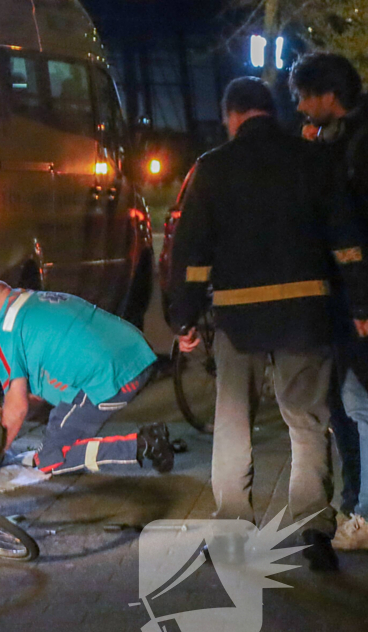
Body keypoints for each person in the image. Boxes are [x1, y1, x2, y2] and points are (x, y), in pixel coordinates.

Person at [170, 77, 368, 571]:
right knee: (307, 422)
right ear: (270, 111)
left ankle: (234, 531)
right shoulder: (315, 160)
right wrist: (362, 305)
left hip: (239, 318)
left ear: (233, 115)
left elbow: (190, 254)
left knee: (234, 423)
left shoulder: (211, 169)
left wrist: (184, 317)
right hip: (307, 313)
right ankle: (314, 531)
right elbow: (347, 241)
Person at [0, 279, 174, 476]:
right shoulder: (32, 300)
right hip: (137, 354)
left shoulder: (5, 331)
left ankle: (144, 445)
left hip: (108, 377)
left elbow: (17, 408)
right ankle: (148, 441)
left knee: (52, 458)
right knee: (59, 425)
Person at [291, 52, 368, 551]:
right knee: (351, 399)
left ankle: (361, 510)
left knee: (357, 401)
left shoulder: (357, 146)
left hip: (357, 293)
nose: (299, 108)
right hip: (354, 292)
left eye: (303, 97)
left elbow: (349, 219)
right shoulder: (348, 137)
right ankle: (357, 502)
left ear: (327, 96)